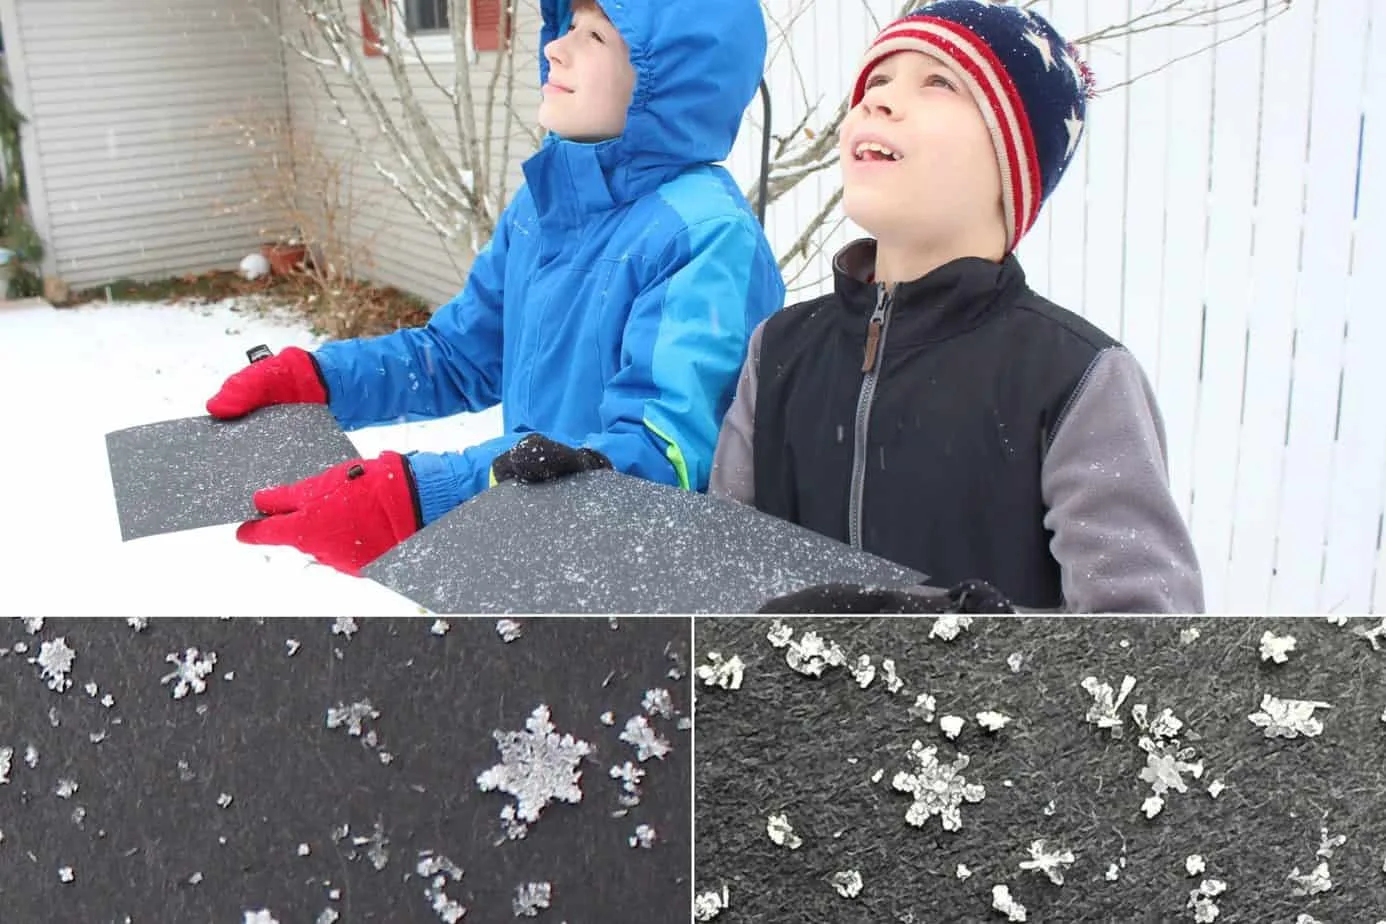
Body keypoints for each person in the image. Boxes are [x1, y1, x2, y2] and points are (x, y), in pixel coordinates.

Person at [204, 0, 785, 575]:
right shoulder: (546, 204)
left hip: (631, 584)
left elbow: (661, 462)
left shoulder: (705, 236)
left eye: (596, 37)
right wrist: (322, 381)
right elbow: (459, 356)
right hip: (527, 546)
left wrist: (421, 497)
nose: (555, 48)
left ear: (674, 78)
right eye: (568, 26)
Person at [709, 0, 1204, 613]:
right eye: (878, 81)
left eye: (939, 81)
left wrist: (955, 647)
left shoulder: (1077, 377)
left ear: (1012, 160)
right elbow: (718, 581)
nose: (877, 100)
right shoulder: (779, 349)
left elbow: (1145, 645)